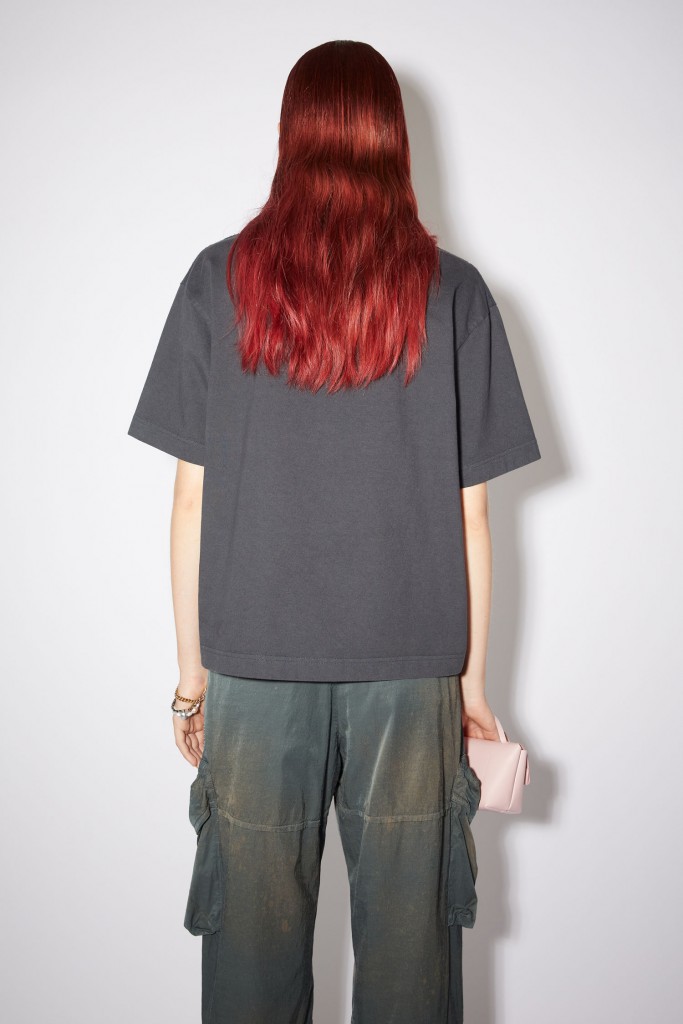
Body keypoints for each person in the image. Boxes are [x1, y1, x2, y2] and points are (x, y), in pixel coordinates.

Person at [127, 39, 541, 1024]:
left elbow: (190, 500)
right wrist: (470, 688)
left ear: (291, 137)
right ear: (392, 140)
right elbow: (471, 511)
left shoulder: (217, 280)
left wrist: (191, 680)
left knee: (248, 963)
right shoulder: (453, 292)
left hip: (253, 672)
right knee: (410, 966)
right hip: (410, 676)